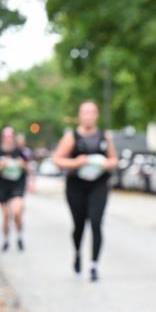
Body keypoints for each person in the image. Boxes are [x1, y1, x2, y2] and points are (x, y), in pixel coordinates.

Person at [52, 101, 119, 281]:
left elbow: (114, 160)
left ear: (96, 115)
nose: (88, 116)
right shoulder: (71, 136)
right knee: (79, 225)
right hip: (76, 186)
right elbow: (57, 159)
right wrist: (75, 163)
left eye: (92, 113)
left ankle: (94, 265)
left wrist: (107, 164)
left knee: (96, 223)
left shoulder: (104, 136)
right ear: (80, 116)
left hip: (98, 185)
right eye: (85, 113)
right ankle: (77, 252)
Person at [0, 126, 30, 252]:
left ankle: (19, 236)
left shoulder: (20, 151)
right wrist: (0, 165)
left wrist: (22, 164)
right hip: (2, 187)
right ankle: (6, 240)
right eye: (6, 136)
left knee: (17, 212)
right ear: (2, 138)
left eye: (10, 136)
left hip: (17, 186)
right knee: (6, 215)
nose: (8, 139)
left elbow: (28, 168)